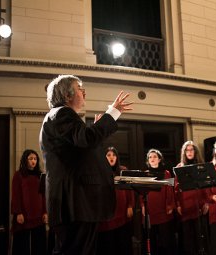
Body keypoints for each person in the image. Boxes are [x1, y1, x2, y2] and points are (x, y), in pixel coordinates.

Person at [39, 74, 133, 255]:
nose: (84, 94)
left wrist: (94, 130)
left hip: (75, 203)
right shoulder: (62, 113)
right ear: (67, 95)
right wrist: (113, 113)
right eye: (81, 89)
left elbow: (82, 147)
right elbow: (87, 139)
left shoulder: (59, 117)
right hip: (74, 203)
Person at [96, 147, 134, 255]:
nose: (111, 157)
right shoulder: (99, 172)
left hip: (122, 213)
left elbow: (129, 189)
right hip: (106, 215)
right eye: (108, 155)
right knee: (108, 245)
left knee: (122, 244)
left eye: (114, 155)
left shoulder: (123, 171)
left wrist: (130, 205)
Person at [175, 141, 209, 255]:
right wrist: (178, 204)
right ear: (184, 153)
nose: (189, 152)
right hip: (185, 207)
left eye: (191, 150)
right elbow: (176, 188)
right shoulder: (179, 167)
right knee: (188, 241)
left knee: (200, 240)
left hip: (198, 206)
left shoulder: (201, 165)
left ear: (195, 151)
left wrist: (206, 202)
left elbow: (206, 187)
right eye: (187, 150)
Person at [11, 149, 47, 255]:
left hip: (38, 214)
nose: (33, 161)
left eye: (35, 159)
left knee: (39, 244)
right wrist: (18, 212)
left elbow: (44, 195)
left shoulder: (40, 175)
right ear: (25, 160)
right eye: (30, 158)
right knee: (22, 244)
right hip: (24, 214)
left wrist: (45, 212)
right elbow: (16, 195)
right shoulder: (19, 175)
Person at [141, 149, 176, 255]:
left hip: (163, 211)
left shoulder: (166, 173)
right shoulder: (145, 174)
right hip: (150, 211)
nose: (152, 159)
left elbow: (170, 190)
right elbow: (141, 192)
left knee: (165, 242)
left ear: (159, 159)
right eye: (150, 157)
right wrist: (142, 205)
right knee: (151, 242)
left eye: (155, 156)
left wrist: (170, 205)